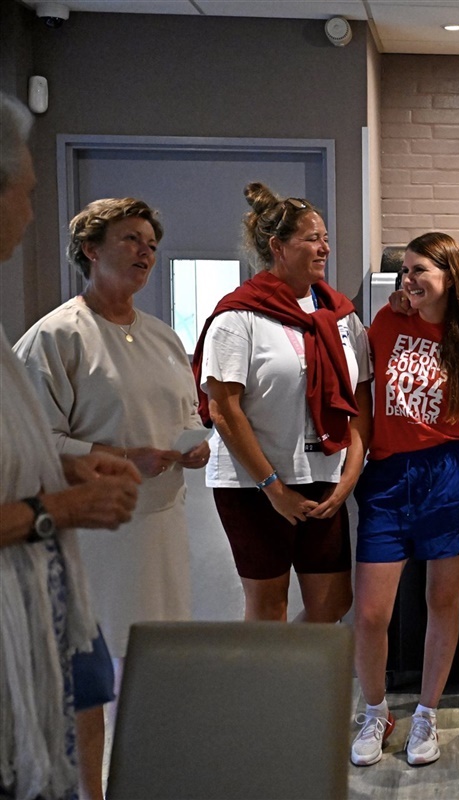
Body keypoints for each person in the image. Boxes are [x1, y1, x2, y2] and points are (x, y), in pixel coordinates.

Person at [13, 197, 209, 799]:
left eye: (151, 242)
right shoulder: (57, 336)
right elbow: (34, 443)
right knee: (91, 674)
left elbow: (185, 416)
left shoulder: (164, 337)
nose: (146, 251)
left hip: (160, 525)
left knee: (152, 665)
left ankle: (144, 781)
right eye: (130, 239)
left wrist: (192, 447)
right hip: (94, 532)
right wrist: (123, 456)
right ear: (90, 250)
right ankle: (88, 793)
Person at [0, 90, 140, 800]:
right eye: (25, 193)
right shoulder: (55, 333)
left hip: (48, 591)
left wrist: (67, 463)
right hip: (18, 606)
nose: (31, 214)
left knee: (86, 697)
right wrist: (58, 505)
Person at [350, 232, 459, 768]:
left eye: (420, 271)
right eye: (406, 271)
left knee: (443, 602)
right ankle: (375, 711)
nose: (409, 280)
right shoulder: (387, 322)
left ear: (450, 278)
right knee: (371, 614)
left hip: (450, 476)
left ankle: (426, 713)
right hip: (389, 477)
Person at [194, 182, 368, 624]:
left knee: (333, 603)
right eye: (312, 239)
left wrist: (349, 476)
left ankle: (290, 666)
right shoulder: (238, 316)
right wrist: (274, 489)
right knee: (269, 607)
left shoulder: (341, 315)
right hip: (254, 485)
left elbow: (361, 399)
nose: (324, 248)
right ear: (278, 247)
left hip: (323, 476)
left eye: (325, 238)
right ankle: (270, 670)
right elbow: (224, 410)